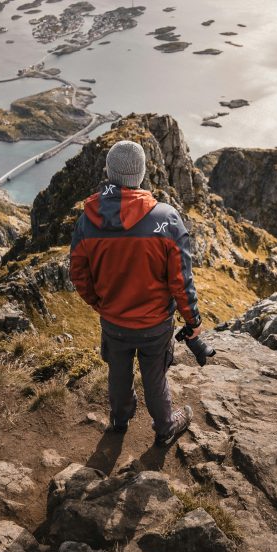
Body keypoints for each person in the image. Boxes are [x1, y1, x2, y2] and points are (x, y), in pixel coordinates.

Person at [69, 139, 201, 446]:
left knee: (118, 372)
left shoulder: (88, 220)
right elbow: (181, 280)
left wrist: (99, 303)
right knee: (154, 378)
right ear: (140, 173)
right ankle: (165, 428)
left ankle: (119, 419)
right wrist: (192, 319)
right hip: (154, 325)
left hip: (113, 320)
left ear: (109, 172)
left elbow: (78, 273)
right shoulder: (166, 218)